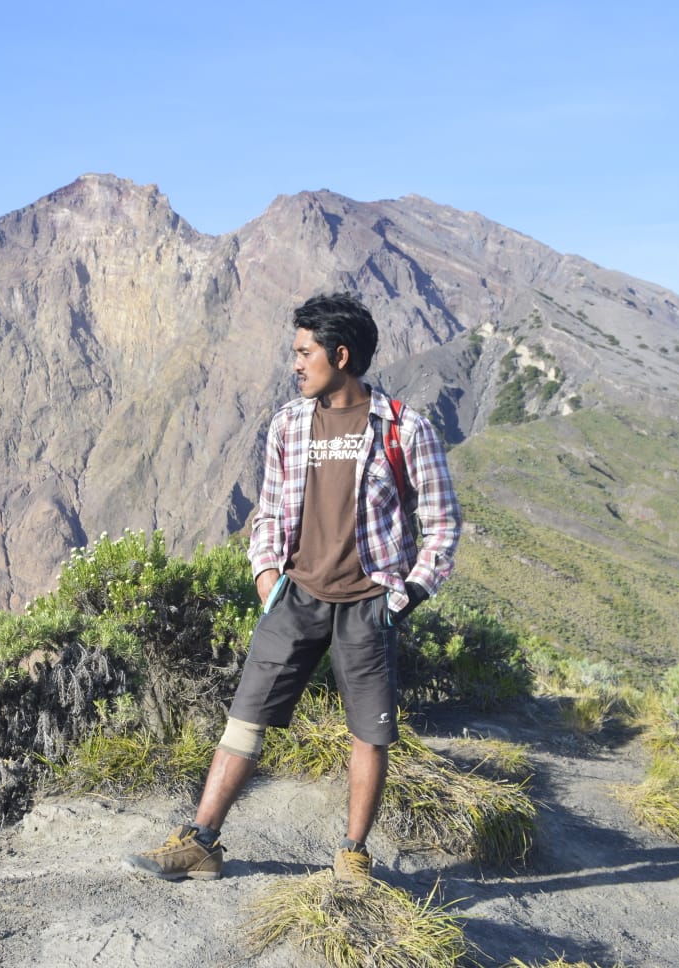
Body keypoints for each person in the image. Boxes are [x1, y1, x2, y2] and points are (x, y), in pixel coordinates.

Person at [125, 291, 462, 886]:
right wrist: (265, 578)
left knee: (369, 732)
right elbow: (270, 512)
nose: (296, 363)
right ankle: (201, 841)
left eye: (305, 352)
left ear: (340, 353)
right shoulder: (288, 423)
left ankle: (353, 855)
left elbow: (441, 523)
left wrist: (407, 595)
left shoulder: (405, 429)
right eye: (294, 352)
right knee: (245, 719)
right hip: (295, 597)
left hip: (368, 603)